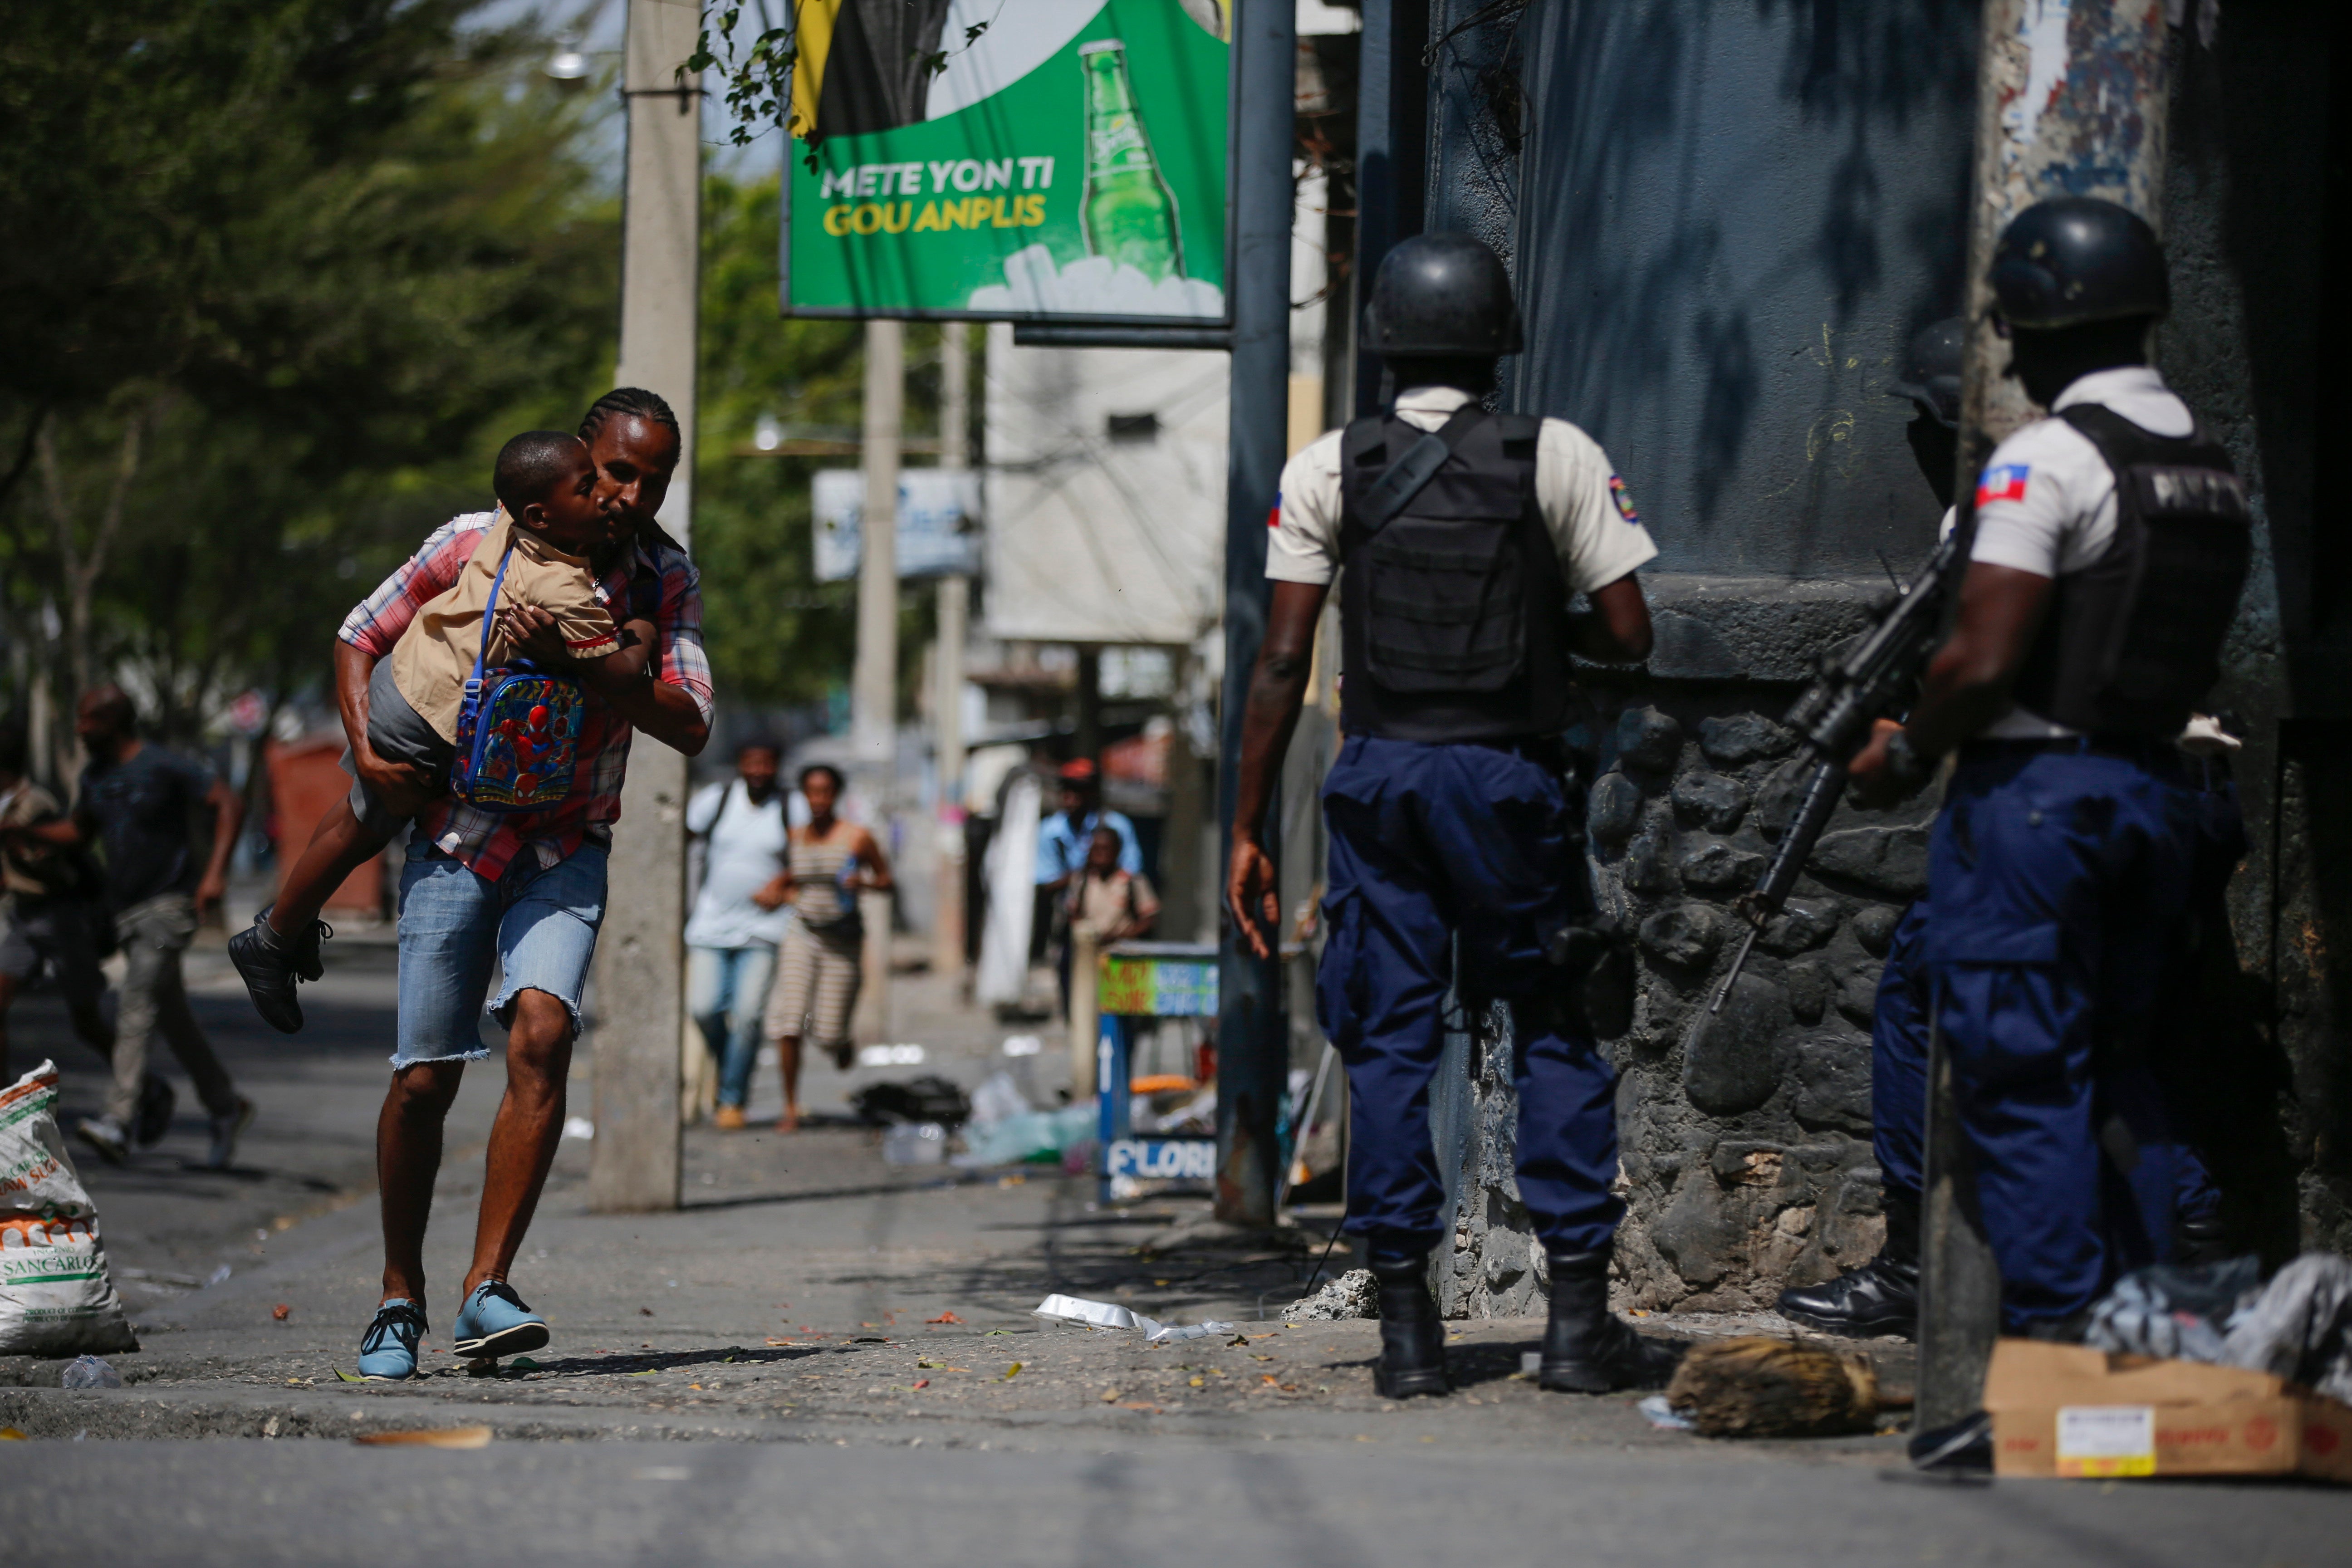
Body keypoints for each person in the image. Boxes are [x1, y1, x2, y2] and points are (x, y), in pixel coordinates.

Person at [1227, 232, 1672, 1398]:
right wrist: (1542, 634)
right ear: (1497, 340)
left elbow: (1281, 660)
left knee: (1387, 1034)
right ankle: (1576, 1324)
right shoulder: (1557, 455)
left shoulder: (1328, 466)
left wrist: (1247, 827)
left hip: (1380, 779)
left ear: (1380, 339)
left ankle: (1408, 1338)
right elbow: (1630, 632)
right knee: (1551, 1020)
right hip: (1507, 781)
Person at [1844, 198, 2250, 1338]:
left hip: (2039, 802)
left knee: (2023, 1090)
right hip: (2155, 794)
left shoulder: (2048, 458)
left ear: (2030, 323)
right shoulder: (2204, 467)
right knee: (2120, 1077)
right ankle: (2143, 1348)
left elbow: (1979, 656)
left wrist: (1904, 746)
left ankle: (2058, 1361)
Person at [326, 388, 712, 1381]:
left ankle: (485, 1289)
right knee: (425, 1079)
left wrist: (588, 666)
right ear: (578, 461)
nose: (631, 493)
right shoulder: (473, 541)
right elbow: (361, 631)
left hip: (566, 840)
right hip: (459, 834)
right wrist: (369, 753)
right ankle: (398, 1295)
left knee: (543, 1032)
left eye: (652, 478)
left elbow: (690, 716)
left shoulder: (664, 578)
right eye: (617, 471)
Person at [228, 431, 654, 1033]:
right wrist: (644, 626)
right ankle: (271, 939)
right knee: (369, 819)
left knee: (362, 813)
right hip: (433, 720)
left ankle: (285, 926)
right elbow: (621, 672)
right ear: (541, 513)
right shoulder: (563, 587)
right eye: (589, 487)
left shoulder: (506, 528)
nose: (605, 497)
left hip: (402, 679)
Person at [24, 688, 253, 1168]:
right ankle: (226, 1106)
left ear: (113, 721)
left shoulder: (164, 766)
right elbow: (79, 832)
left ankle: (119, 1118)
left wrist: (215, 873)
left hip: (169, 906)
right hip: (125, 913)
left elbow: (226, 802)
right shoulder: (96, 777)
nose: (80, 729)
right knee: (173, 1020)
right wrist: (26, 832)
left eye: (88, 720)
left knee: (135, 1004)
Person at [762, 763, 892, 1131]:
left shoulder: (857, 838)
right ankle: (790, 1106)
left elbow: (886, 880)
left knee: (829, 1032)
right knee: (789, 1019)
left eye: (825, 792)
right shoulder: (795, 837)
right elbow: (794, 877)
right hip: (803, 933)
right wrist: (776, 889)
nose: (818, 799)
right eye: (812, 792)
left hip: (843, 940)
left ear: (836, 795)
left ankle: (841, 1044)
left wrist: (864, 883)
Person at [685, 738, 802, 1129]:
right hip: (710, 925)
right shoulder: (715, 801)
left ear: (776, 766)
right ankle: (726, 1065)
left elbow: (811, 853)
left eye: (766, 764)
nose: (758, 771)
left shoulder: (791, 806)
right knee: (704, 1009)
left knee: (749, 1016)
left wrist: (783, 882)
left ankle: (731, 1099)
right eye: (751, 763)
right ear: (740, 765)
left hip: (764, 930)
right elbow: (677, 840)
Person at [1036, 759, 1141, 1018]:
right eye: (1066, 790)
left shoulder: (1117, 826)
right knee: (1076, 993)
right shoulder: (1051, 831)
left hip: (1116, 924)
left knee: (1118, 998)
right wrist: (1082, 875)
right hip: (1076, 925)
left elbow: (1132, 876)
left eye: (1078, 790)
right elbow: (1044, 882)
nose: (1071, 797)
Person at [1066, 823, 1159, 947]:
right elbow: (1073, 913)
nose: (1100, 855)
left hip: (1122, 952)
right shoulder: (1081, 880)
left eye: (1105, 849)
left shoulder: (1132, 881)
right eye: (1096, 849)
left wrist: (1124, 935)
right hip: (1089, 950)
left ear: (1117, 850)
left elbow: (1149, 918)